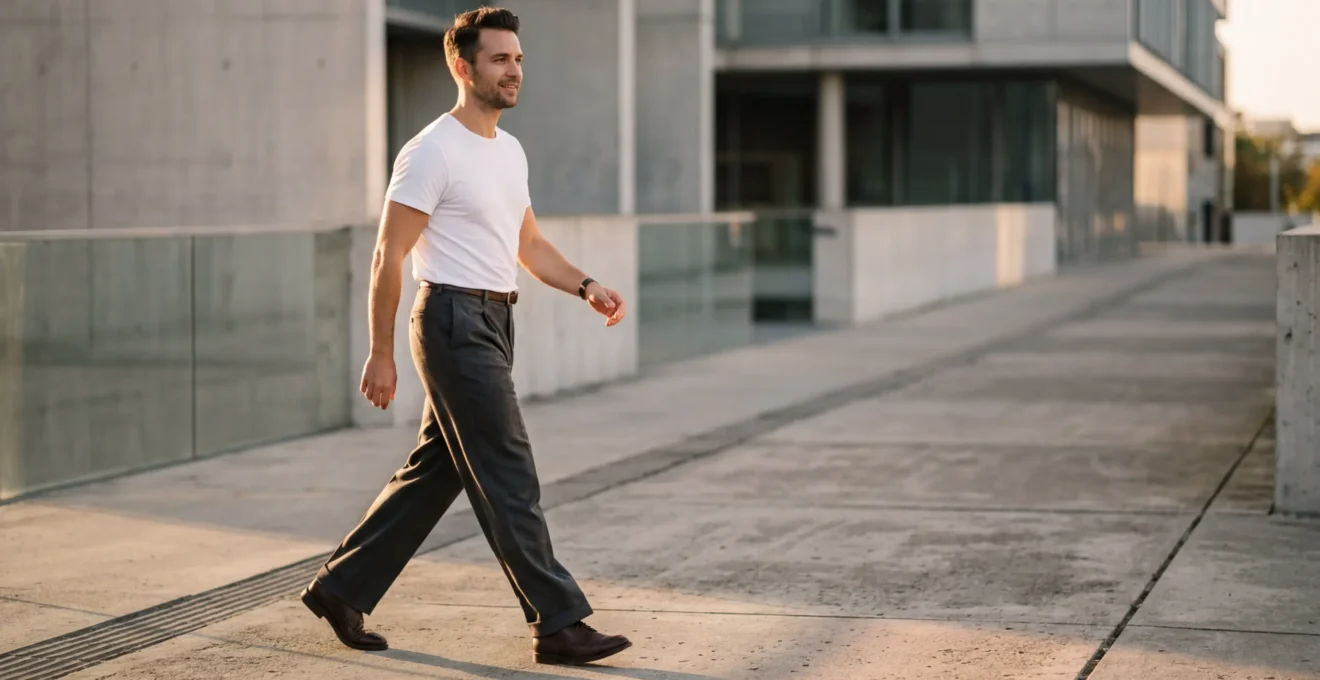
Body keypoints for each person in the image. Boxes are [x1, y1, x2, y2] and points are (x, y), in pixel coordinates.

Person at [299, 6, 632, 667]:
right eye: (500, 59)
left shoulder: (508, 151)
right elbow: (388, 254)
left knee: (437, 470)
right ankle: (557, 623)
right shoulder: (432, 151)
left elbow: (528, 245)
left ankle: (341, 589)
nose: (514, 71)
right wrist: (381, 351)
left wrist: (586, 284)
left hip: (495, 320)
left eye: (518, 59)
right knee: (509, 470)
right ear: (462, 65)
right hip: (451, 320)